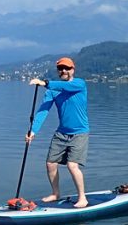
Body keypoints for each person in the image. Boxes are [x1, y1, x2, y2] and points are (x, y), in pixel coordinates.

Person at [27, 57, 90, 208]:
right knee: (50, 164)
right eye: (61, 68)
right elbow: (43, 111)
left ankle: (83, 198)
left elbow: (63, 87)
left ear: (72, 70)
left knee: (72, 165)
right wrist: (33, 131)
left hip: (80, 133)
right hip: (61, 133)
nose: (64, 71)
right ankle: (56, 193)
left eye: (67, 68)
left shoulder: (79, 84)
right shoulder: (52, 91)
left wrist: (45, 83)